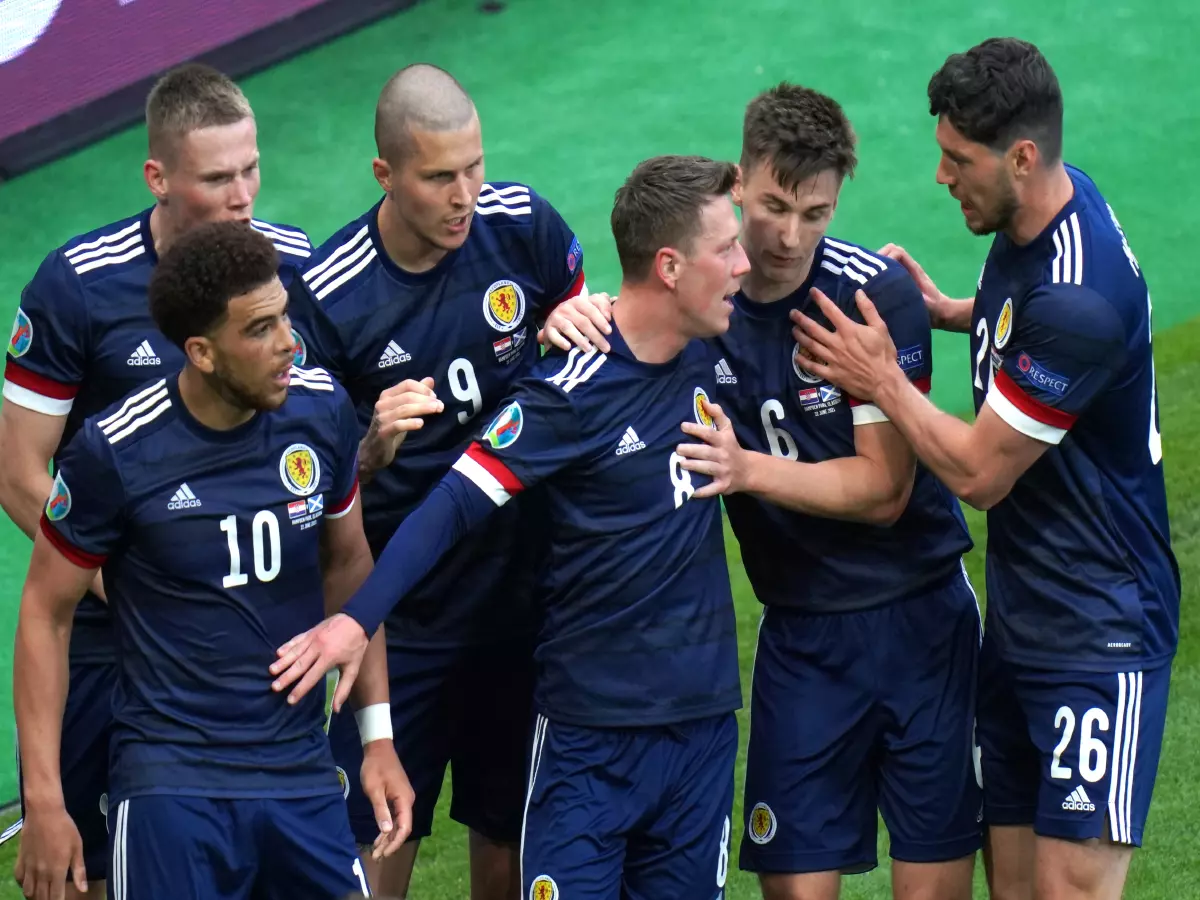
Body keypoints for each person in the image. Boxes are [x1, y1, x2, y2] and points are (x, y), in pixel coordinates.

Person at [272, 154, 750, 900]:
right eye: (728, 249)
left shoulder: (714, 349)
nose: (746, 265)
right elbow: (451, 505)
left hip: (704, 730)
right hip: (589, 741)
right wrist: (357, 621)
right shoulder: (566, 395)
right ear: (669, 266)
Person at [791, 38, 1179, 900]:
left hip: (1099, 635)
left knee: (1066, 892)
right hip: (1021, 625)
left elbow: (977, 474)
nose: (941, 176)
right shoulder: (1045, 216)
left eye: (958, 160)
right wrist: (950, 311)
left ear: (1023, 156)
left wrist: (881, 379)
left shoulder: (1082, 300)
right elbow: (1025, 317)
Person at [12, 222, 414, 900]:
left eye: (284, 316)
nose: (288, 342)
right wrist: (45, 802)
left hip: (301, 771)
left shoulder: (321, 411)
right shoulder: (114, 453)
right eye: (260, 329)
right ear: (200, 352)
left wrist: (377, 738)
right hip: (172, 788)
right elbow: (45, 614)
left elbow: (349, 565)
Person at [285, 63, 600, 899]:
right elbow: (303, 492)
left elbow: (584, 372)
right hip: (404, 623)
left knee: (510, 833)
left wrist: (575, 319)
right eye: (437, 178)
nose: (464, 196)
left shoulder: (523, 226)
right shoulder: (326, 298)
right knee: (377, 839)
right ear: (385, 174)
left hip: (527, 600)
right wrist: (367, 452)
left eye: (474, 168)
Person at [0, 62, 312, 899]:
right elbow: (18, 468)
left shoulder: (289, 270)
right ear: (158, 178)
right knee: (81, 869)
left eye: (251, 169)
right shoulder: (77, 285)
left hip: (245, 628)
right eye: (216, 179)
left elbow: (320, 435)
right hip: (109, 632)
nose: (242, 197)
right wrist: (125, 582)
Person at [663, 82, 980, 900]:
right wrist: (577, 315)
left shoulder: (873, 298)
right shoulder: (699, 309)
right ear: (739, 182)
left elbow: (883, 490)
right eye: (774, 207)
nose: (789, 236)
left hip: (922, 626)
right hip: (802, 638)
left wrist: (744, 470)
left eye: (816, 213)